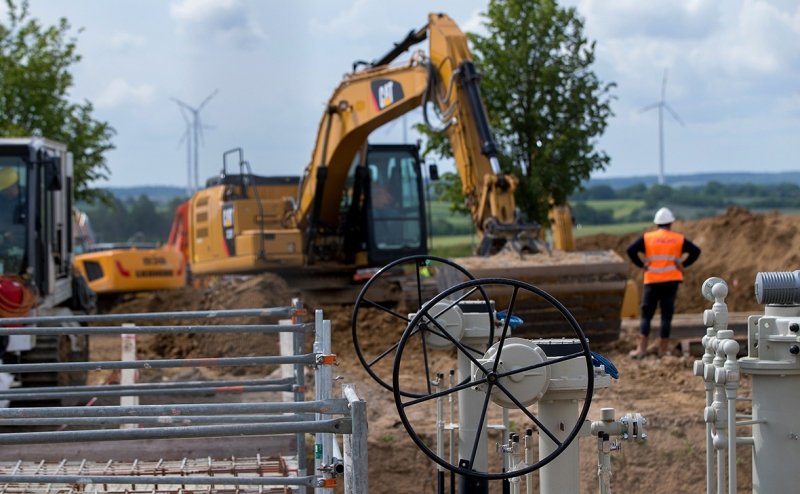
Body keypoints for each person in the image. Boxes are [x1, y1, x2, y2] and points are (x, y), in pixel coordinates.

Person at [626, 207, 701, 358]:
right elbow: (696, 251)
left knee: (646, 315)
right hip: (671, 281)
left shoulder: (648, 238)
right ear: (670, 223)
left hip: (652, 281)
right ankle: (663, 350)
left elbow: (630, 250)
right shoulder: (678, 238)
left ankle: (641, 349)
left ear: (656, 224)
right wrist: (683, 265)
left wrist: (642, 265)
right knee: (666, 316)